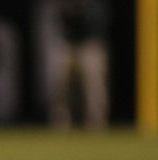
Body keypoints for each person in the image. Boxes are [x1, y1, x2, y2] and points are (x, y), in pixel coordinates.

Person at [44, 0, 110, 130]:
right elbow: (57, 18)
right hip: (67, 42)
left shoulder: (93, 5)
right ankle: (61, 122)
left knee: (95, 86)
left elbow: (98, 19)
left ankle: (96, 122)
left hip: (90, 42)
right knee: (60, 85)